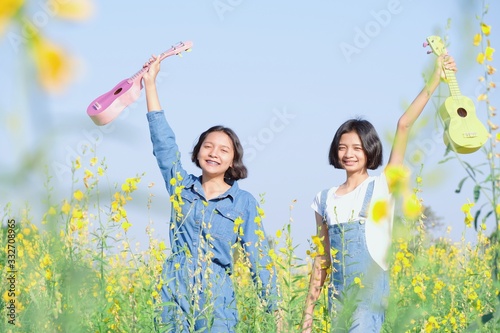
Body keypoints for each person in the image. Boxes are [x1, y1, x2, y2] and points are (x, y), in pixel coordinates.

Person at [301, 54, 457, 333]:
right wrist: (308, 313)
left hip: (368, 301)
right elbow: (322, 259)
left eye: (357, 148)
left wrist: (435, 80)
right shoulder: (323, 199)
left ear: (370, 151)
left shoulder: (382, 186)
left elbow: (404, 125)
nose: (349, 154)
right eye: (343, 147)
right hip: (336, 299)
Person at [143, 55, 279, 332]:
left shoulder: (243, 203)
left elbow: (259, 257)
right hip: (174, 290)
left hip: (217, 296)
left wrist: (274, 311)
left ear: (233, 161)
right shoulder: (181, 188)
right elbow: (164, 145)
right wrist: (150, 85)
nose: (213, 153)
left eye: (223, 150)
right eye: (208, 146)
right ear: (198, 152)